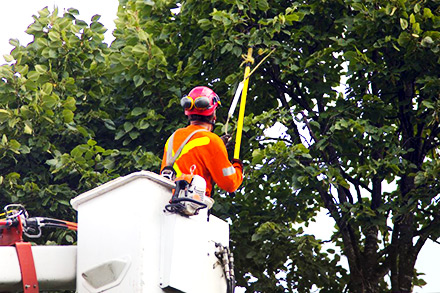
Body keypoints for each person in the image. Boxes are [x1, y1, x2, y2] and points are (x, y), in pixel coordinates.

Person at [160, 86, 243, 196]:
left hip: (166, 202)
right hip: (193, 208)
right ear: (213, 115)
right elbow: (230, 184)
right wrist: (237, 166)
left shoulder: (173, 137)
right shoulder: (211, 141)